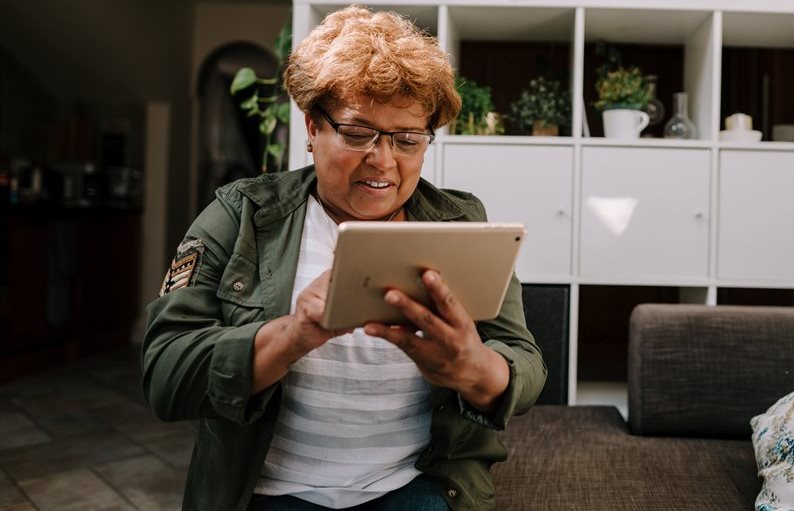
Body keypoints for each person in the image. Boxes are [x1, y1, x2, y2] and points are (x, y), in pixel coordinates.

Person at [141, 6, 546, 511]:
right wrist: (292, 335)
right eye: (357, 134)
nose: (382, 160)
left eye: (408, 140)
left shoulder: (460, 224)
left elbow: (524, 362)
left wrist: (476, 370)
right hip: (268, 491)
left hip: (414, 486)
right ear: (312, 128)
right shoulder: (242, 214)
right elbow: (164, 374)